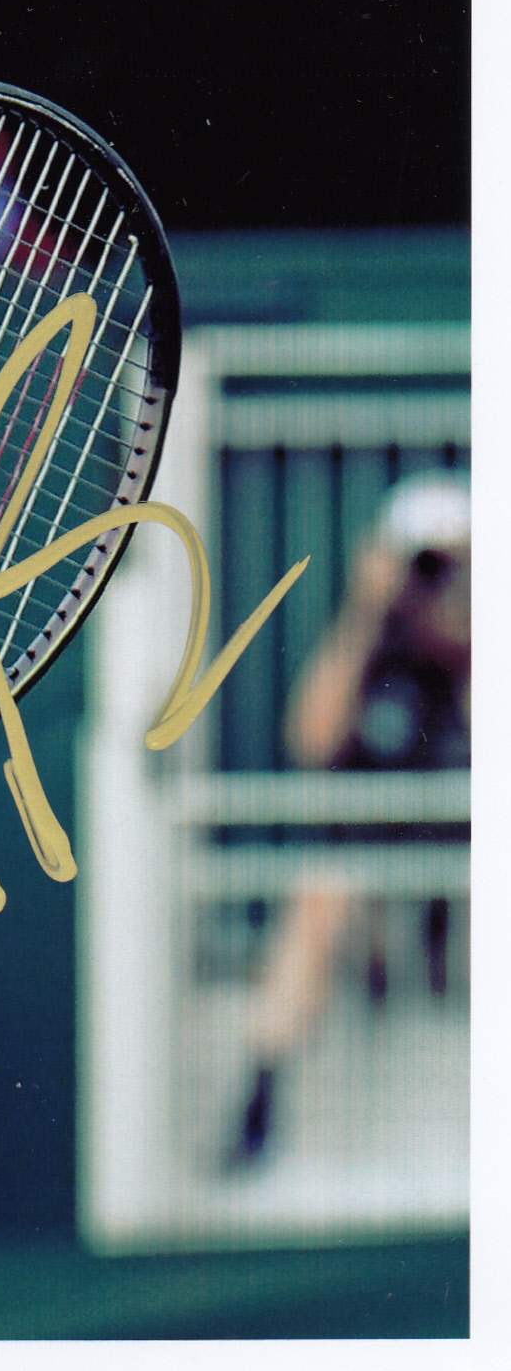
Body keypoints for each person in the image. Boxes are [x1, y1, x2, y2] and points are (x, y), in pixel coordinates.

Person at [230, 470, 470, 1166]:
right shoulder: (371, 650)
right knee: (319, 898)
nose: (433, 584)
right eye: (425, 565)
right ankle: (260, 1096)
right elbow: (309, 740)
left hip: (461, 877)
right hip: (371, 877)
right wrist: (365, 613)